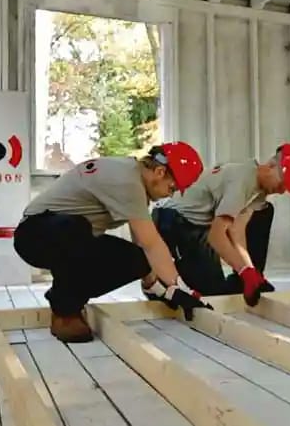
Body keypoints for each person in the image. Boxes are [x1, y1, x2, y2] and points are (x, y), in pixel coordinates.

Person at [13, 141, 214, 343]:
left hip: (63, 235)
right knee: (75, 228)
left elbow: (143, 246)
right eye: (171, 188)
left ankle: (68, 296)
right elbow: (152, 243)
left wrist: (159, 289)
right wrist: (181, 289)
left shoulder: (131, 177)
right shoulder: (127, 182)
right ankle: (65, 312)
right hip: (34, 235)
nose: (169, 194)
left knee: (138, 259)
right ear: (160, 172)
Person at [150, 144, 290, 306]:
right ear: (271, 166)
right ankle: (163, 282)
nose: (282, 191)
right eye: (283, 184)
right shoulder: (243, 181)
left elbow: (236, 231)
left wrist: (249, 269)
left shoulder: (258, 191)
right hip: (173, 223)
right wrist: (244, 271)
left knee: (265, 211)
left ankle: (241, 281)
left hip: (198, 226)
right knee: (211, 297)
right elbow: (216, 236)